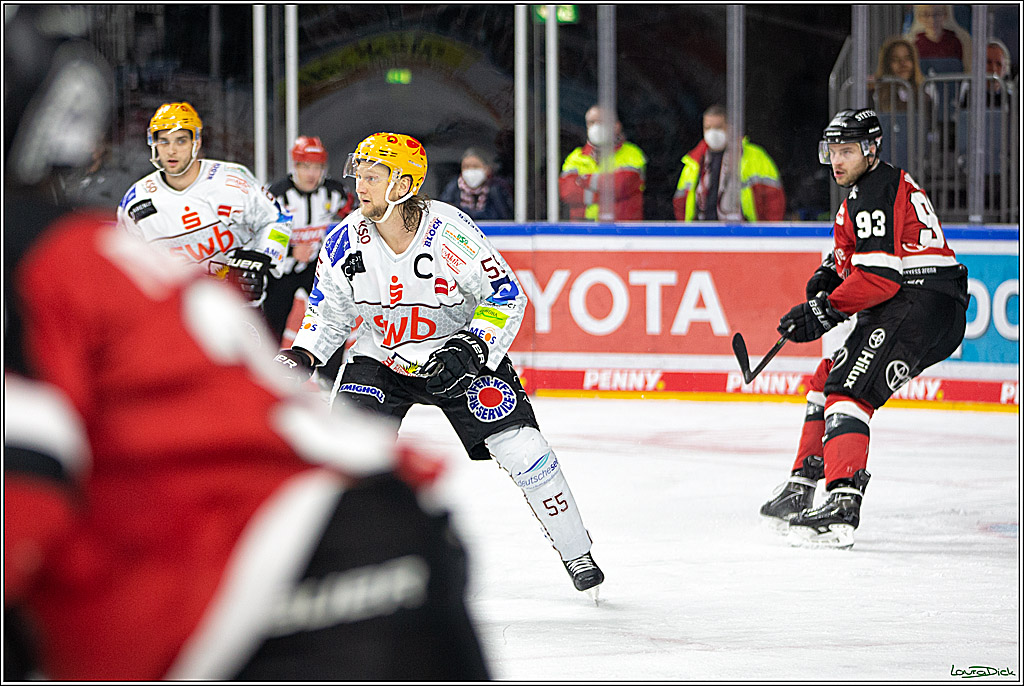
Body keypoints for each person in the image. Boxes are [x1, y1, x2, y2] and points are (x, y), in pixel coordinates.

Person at [3, 7, 490, 680]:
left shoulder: (35, 258)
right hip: (365, 520)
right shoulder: (108, 222)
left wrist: (264, 258)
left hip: (293, 563)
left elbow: (23, 500)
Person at [274, 132, 606, 596]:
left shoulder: (449, 232)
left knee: (524, 448)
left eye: (373, 177)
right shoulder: (344, 241)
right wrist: (303, 354)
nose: (360, 186)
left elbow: (505, 295)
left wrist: (473, 347)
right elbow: (328, 316)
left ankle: (577, 553)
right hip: (381, 355)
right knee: (345, 455)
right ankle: (340, 569)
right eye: (359, 175)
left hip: (456, 352)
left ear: (404, 184)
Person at [759, 109, 968, 549]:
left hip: (916, 302)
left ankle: (842, 502)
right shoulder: (871, 189)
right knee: (827, 379)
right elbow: (860, 255)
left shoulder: (872, 190)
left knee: (849, 392)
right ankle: (802, 485)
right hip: (923, 304)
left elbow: (880, 277)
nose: (837, 160)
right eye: (832, 151)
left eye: (848, 151)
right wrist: (827, 275)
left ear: (871, 150)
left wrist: (824, 311)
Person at [115, 101, 293, 313]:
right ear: (153, 144)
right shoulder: (135, 202)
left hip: (236, 308)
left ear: (196, 142)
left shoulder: (233, 180)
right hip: (175, 314)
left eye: (181, 141)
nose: (171, 150)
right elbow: (126, 264)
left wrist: (264, 259)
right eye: (164, 141)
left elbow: (279, 218)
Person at [265, 135, 355, 345]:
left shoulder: (334, 192)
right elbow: (260, 234)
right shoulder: (277, 195)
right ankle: (267, 365)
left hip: (315, 266)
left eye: (317, 167)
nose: (311, 174)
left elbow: (355, 219)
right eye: (305, 166)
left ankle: (327, 366)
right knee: (271, 327)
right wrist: (290, 251)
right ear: (295, 166)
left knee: (332, 318)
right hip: (282, 270)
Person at [673, 104, 785, 222]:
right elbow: (680, 202)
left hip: (743, 230)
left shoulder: (755, 157)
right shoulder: (694, 161)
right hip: (703, 230)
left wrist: (766, 231)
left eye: (718, 127)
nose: (712, 132)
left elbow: (774, 200)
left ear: (730, 128)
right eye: (708, 128)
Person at [559, 104, 647, 220]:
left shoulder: (632, 154)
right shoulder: (576, 156)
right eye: (591, 122)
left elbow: (621, 187)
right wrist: (607, 192)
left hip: (621, 228)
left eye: (601, 122)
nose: (596, 127)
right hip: (584, 229)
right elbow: (568, 193)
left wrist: (584, 181)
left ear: (616, 126)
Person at [438, 146, 514, 221]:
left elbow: (505, 217)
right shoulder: (454, 187)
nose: (470, 171)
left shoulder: (497, 188)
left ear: (487, 168)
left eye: (475, 167)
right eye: (466, 167)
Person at [870, 37, 930, 113]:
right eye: (895, 59)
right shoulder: (874, 95)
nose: (902, 64)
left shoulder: (924, 95)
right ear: (886, 64)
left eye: (907, 58)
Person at [906, 5, 972, 72]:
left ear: (945, 15)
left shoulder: (959, 41)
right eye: (926, 15)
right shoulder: (913, 44)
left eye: (937, 14)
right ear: (919, 18)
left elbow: (968, 70)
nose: (932, 19)